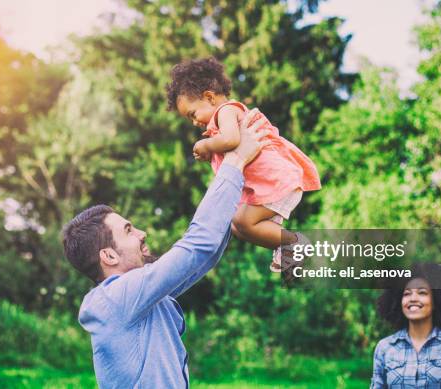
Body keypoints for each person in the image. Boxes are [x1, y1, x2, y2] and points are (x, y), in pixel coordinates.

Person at [61, 109, 271, 389]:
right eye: (128, 230)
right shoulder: (117, 298)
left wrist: (235, 199)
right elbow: (196, 246)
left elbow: (201, 257)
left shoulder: (138, 298)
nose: (141, 233)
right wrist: (235, 160)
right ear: (108, 256)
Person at [166, 57, 321, 272]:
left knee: (243, 222)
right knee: (239, 226)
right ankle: (285, 244)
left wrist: (206, 144)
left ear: (209, 97)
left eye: (193, 114)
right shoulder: (222, 119)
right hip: (269, 184)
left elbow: (231, 140)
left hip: (276, 181)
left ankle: (294, 243)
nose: (194, 122)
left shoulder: (226, 111)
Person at [371, 263, 441, 389]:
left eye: (422, 292)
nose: (413, 298)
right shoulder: (385, 348)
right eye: (407, 293)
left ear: (436, 301)